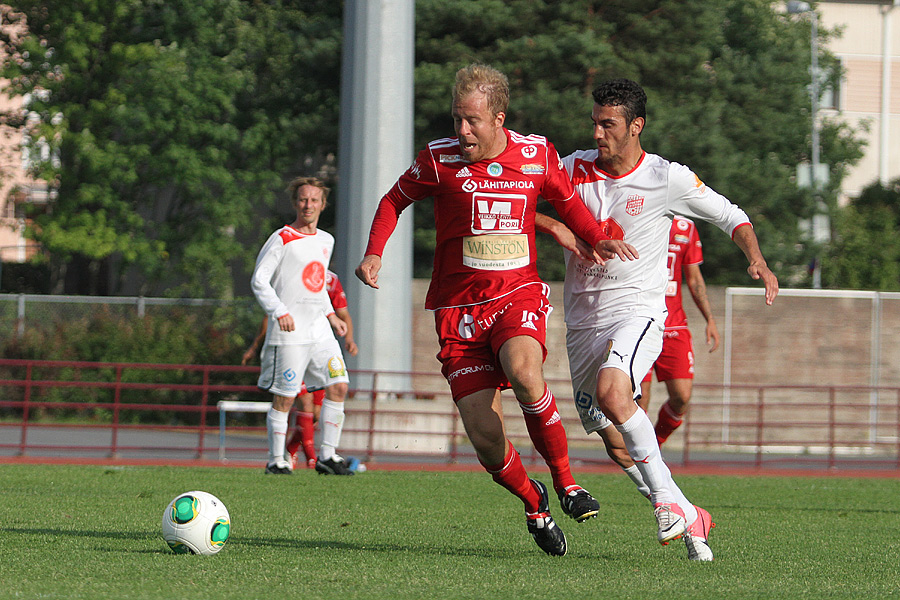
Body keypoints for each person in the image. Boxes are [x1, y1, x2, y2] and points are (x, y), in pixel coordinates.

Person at [356, 63, 635, 557]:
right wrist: (375, 251)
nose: (461, 130)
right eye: (456, 119)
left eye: (471, 121)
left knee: (526, 373)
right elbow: (392, 201)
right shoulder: (438, 161)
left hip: (516, 294)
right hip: (458, 312)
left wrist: (596, 237)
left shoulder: (535, 155)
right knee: (486, 441)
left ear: (498, 118)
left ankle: (567, 482)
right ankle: (536, 504)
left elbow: (567, 202)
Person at [537, 78, 778, 561]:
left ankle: (667, 503)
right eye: (594, 123)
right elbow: (519, 206)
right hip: (583, 321)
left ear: (636, 126)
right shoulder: (571, 168)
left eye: (608, 125)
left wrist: (758, 259)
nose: (598, 134)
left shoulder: (666, 177)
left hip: (638, 310)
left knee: (613, 392)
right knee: (617, 444)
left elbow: (733, 216)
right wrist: (560, 227)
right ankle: (691, 518)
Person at [251, 176, 354, 476]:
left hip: (319, 330)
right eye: (303, 199)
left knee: (339, 385)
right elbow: (259, 280)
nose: (308, 205)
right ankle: (276, 460)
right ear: (296, 203)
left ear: (323, 204)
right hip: (290, 333)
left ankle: (328, 456)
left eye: (314, 200)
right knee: (285, 397)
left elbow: (317, 283)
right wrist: (278, 310)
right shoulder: (282, 237)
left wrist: (331, 314)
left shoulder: (326, 240)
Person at [243, 269, 359, 470]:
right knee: (298, 402)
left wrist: (348, 338)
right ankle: (297, 458)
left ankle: (305, 451)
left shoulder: (330, 280)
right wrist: (256, 346)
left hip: (319, 345)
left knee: (316, 413)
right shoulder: (287, 273)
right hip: (292, 343)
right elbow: (267, 314)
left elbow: (343, 313)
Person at [637, 216, 720, 445]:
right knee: (639, 401)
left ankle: (655, 444)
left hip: (675, 326)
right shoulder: (639, 215)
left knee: (682, 396)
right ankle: (640, 455)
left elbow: (694, 279)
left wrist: (709, 319)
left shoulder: (686, 227)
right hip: (639, 323)